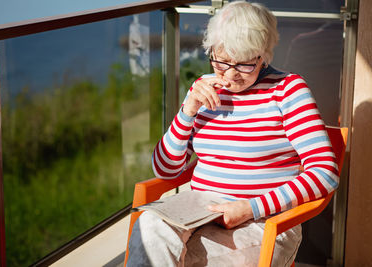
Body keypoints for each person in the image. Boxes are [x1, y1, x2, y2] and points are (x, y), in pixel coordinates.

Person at [127, 1, 339, 266]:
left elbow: (325, 172)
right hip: (197, 210)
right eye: (222, 61)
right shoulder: (204, 89)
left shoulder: (287, 90)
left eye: (244, 64)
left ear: (263, 55)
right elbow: (165, 170)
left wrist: (251, 208)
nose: (230, 74)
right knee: (149, 230)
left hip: (263, 220)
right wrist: (187, 111)